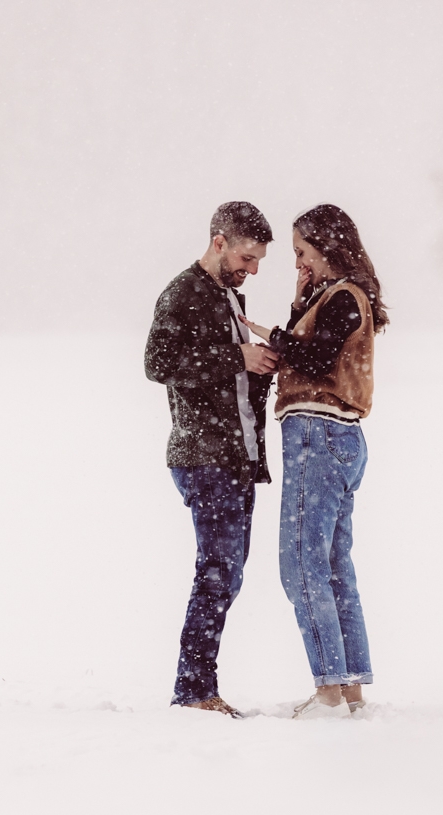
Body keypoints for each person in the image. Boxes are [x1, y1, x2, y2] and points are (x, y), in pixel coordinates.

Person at [239, 204, 388, 720]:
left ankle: (328, 690)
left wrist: (268, 335)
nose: (299, 263)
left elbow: (314, 358)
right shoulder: (341, 296)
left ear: (327, 247)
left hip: (316, 434)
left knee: (301, 564)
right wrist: (301, 301)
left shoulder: (342, 297)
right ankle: (349, 688)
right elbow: (316, 347)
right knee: (333, 566)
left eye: (303, 253)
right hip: (341, 438)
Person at [145, 202, 280, 717]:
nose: (254, 269)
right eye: (248, 256)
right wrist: (235, 356)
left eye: (259, 260)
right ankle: (195, 690)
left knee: (228, 572)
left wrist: (262, 365)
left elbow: (232, 382)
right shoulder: (183, 293)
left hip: (235, 456)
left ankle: (197, 686)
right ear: (219, 241)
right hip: (204, 455)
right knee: (218, 572)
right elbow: (157, 364)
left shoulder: (227, 297)